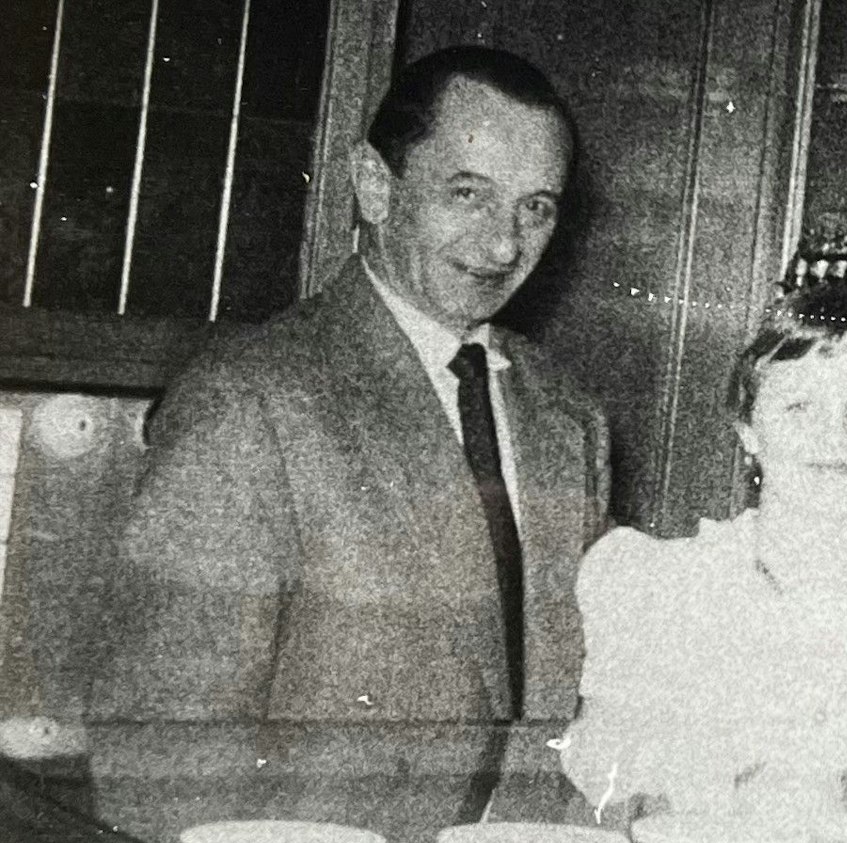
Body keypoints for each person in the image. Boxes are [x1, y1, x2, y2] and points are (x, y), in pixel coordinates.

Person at [93, 46, 607, 723]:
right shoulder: (250, 400)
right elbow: (163, 744)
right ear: (374, 185)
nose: (504, 246)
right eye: (468, 194)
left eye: (534, 207)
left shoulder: (569, 417)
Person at [559, 282, 847, 821]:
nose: (835, 436)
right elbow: (599, 773)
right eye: (800, 407)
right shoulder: (658, 586)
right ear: (749, 430)